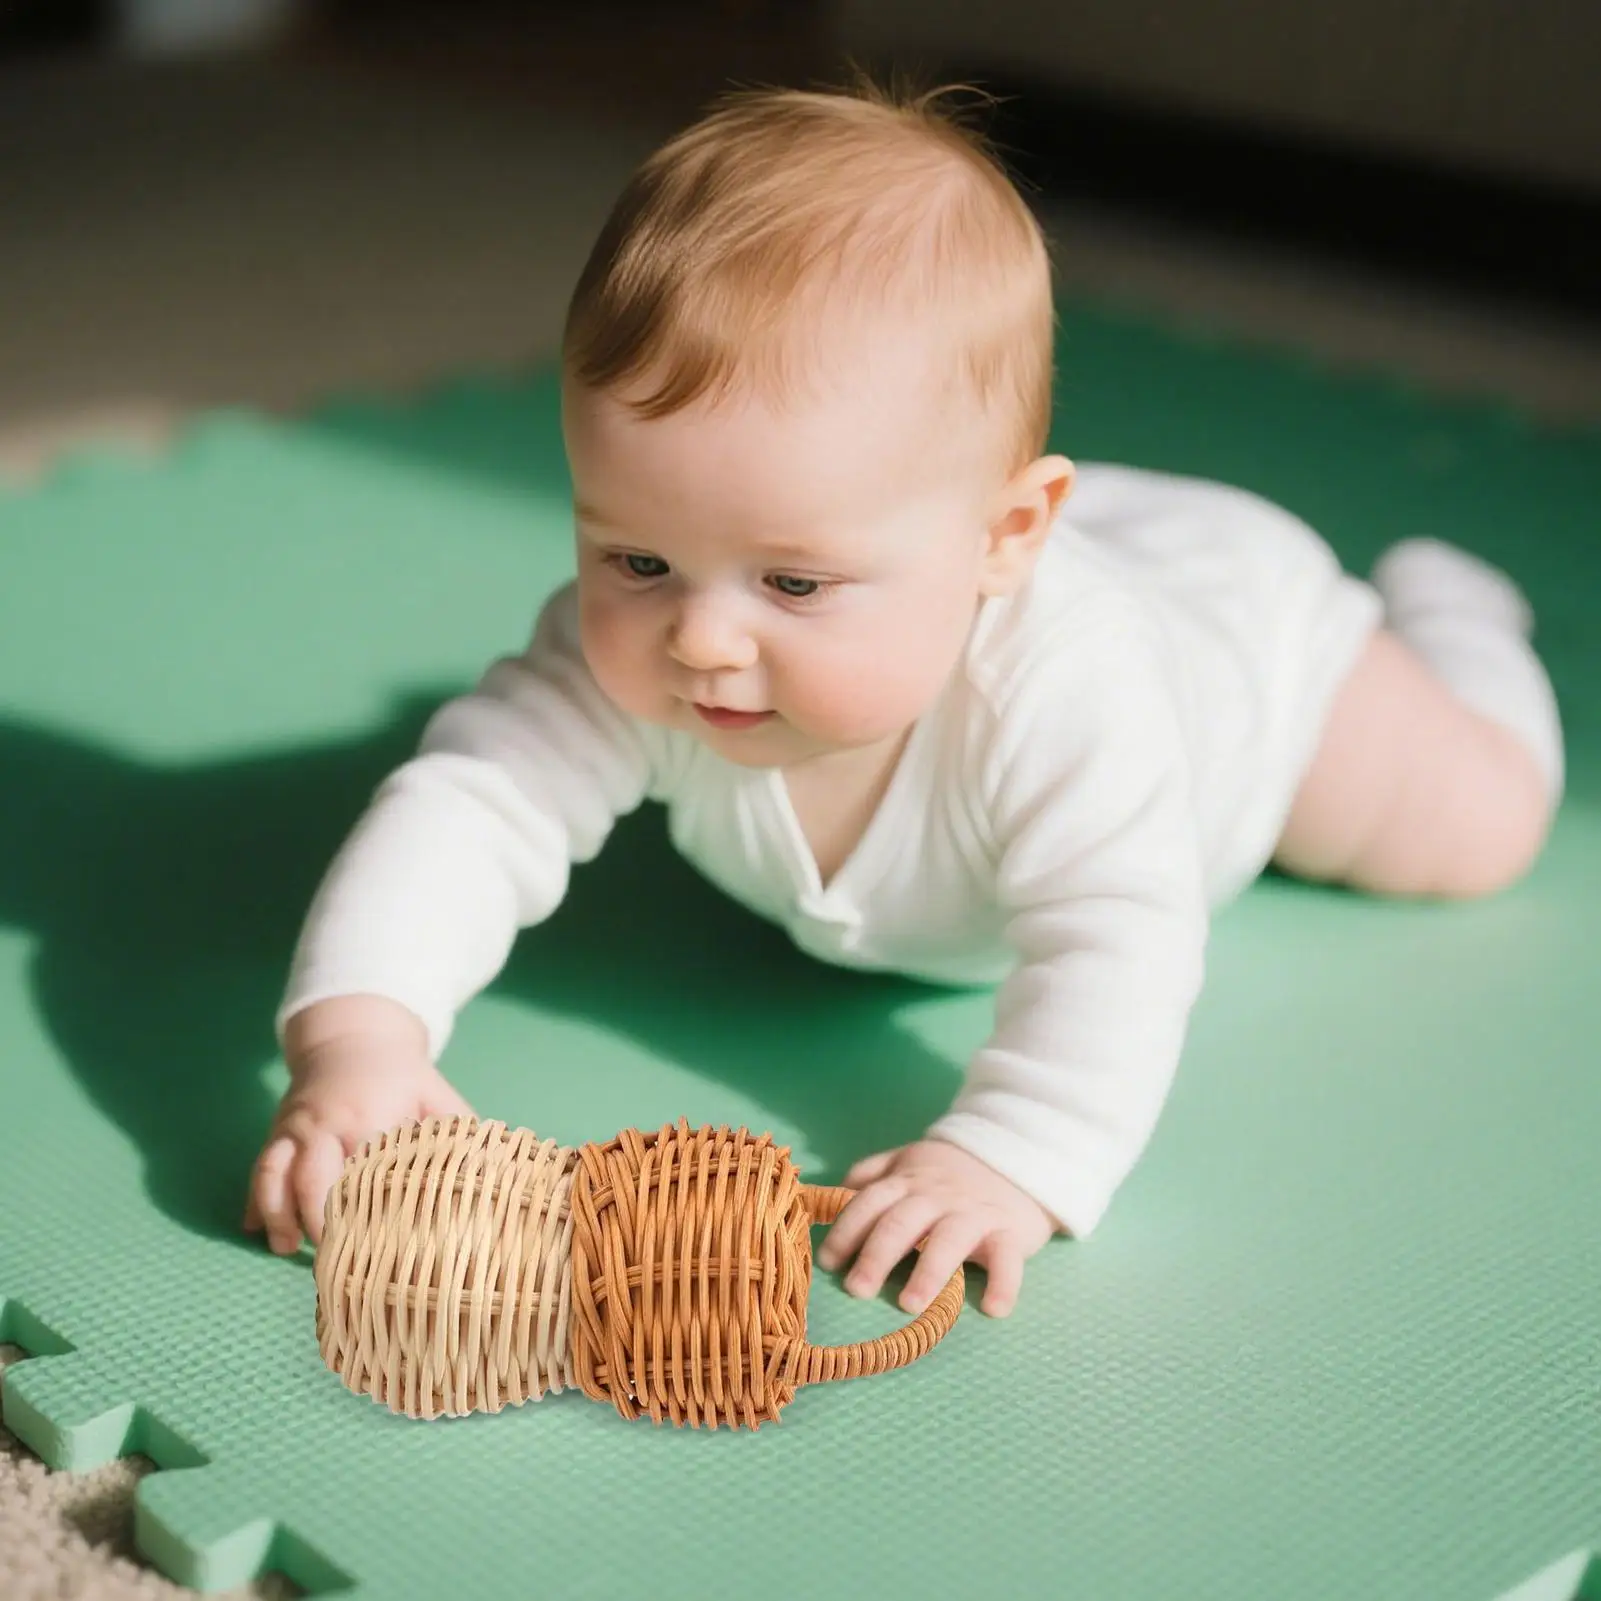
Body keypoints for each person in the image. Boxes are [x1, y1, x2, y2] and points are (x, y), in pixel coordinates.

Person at [245, 79, 1563, 1319]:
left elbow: (1120, 940)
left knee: (1478, 827)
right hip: (1016, 535)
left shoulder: (1067, 692)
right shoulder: (638, 647)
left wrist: (1015, 1152)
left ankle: (1453, 612)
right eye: (636, 558)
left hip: (1256, 666)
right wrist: (360, 1038)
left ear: (1005, 540)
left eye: (796, 584)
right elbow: (471, 807)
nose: (702, 639)